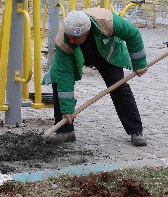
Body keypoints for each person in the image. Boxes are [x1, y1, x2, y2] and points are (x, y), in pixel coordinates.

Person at [45, 8, 148, 146]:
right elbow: (64, 76)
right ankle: (65, 131)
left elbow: (133, 35)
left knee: (117, 85)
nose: (70, 39)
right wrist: (67, 110)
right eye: (69, 36)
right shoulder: (65, 40)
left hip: (107, 52)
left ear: (86, 32)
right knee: (58, 81)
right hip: (76, 53)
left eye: (75, 37)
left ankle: (136, 130)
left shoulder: (107, 21)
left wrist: (139, 63)